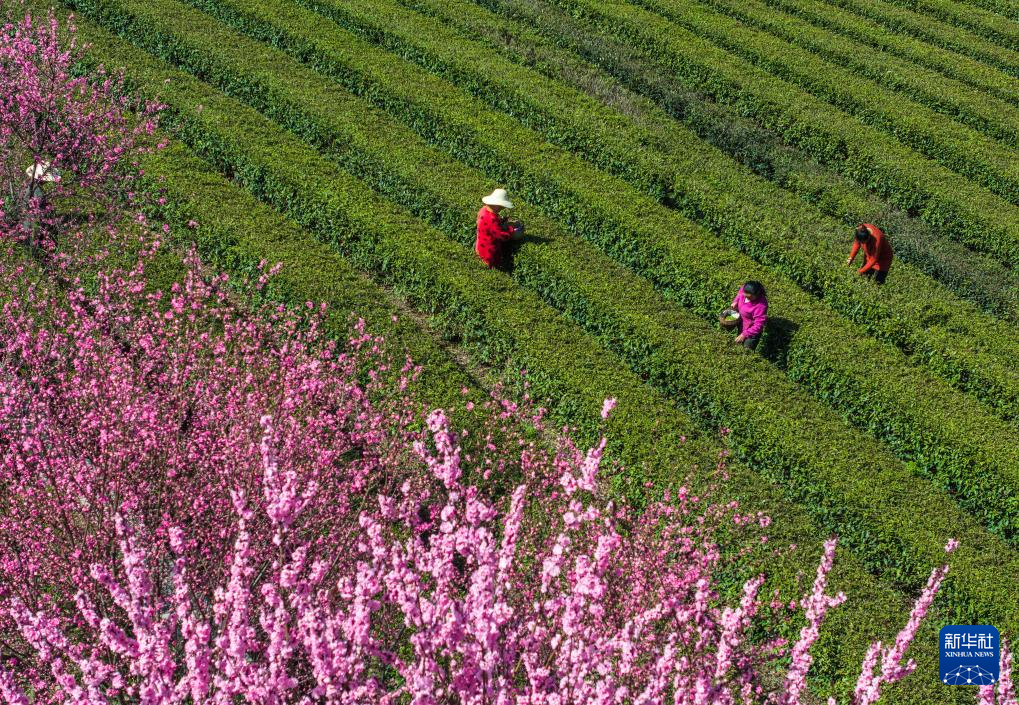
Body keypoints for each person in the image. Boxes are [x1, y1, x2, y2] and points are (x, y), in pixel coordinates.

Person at [476, 188, 520, 268]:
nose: (502, 209)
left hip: (481, 244)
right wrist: (511, 230)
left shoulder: (483, 210)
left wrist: (503, 221)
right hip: (489, 251)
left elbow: (491, 226)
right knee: (492, 265)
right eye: (501, 207)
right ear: (496, 205)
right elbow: (500, 235)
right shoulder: (491, 218)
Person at [731, 280, 768, 350]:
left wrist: (744, 334)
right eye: (745, 296)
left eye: (749, 298)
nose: (747, 298)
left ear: (757, 295)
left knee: (746, 350)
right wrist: (735, 301)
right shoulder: (746, 289)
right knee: (739, 345)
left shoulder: (760, 306)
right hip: (743, 325)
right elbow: (740, 294)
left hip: (752, 332)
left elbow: (758, 325)